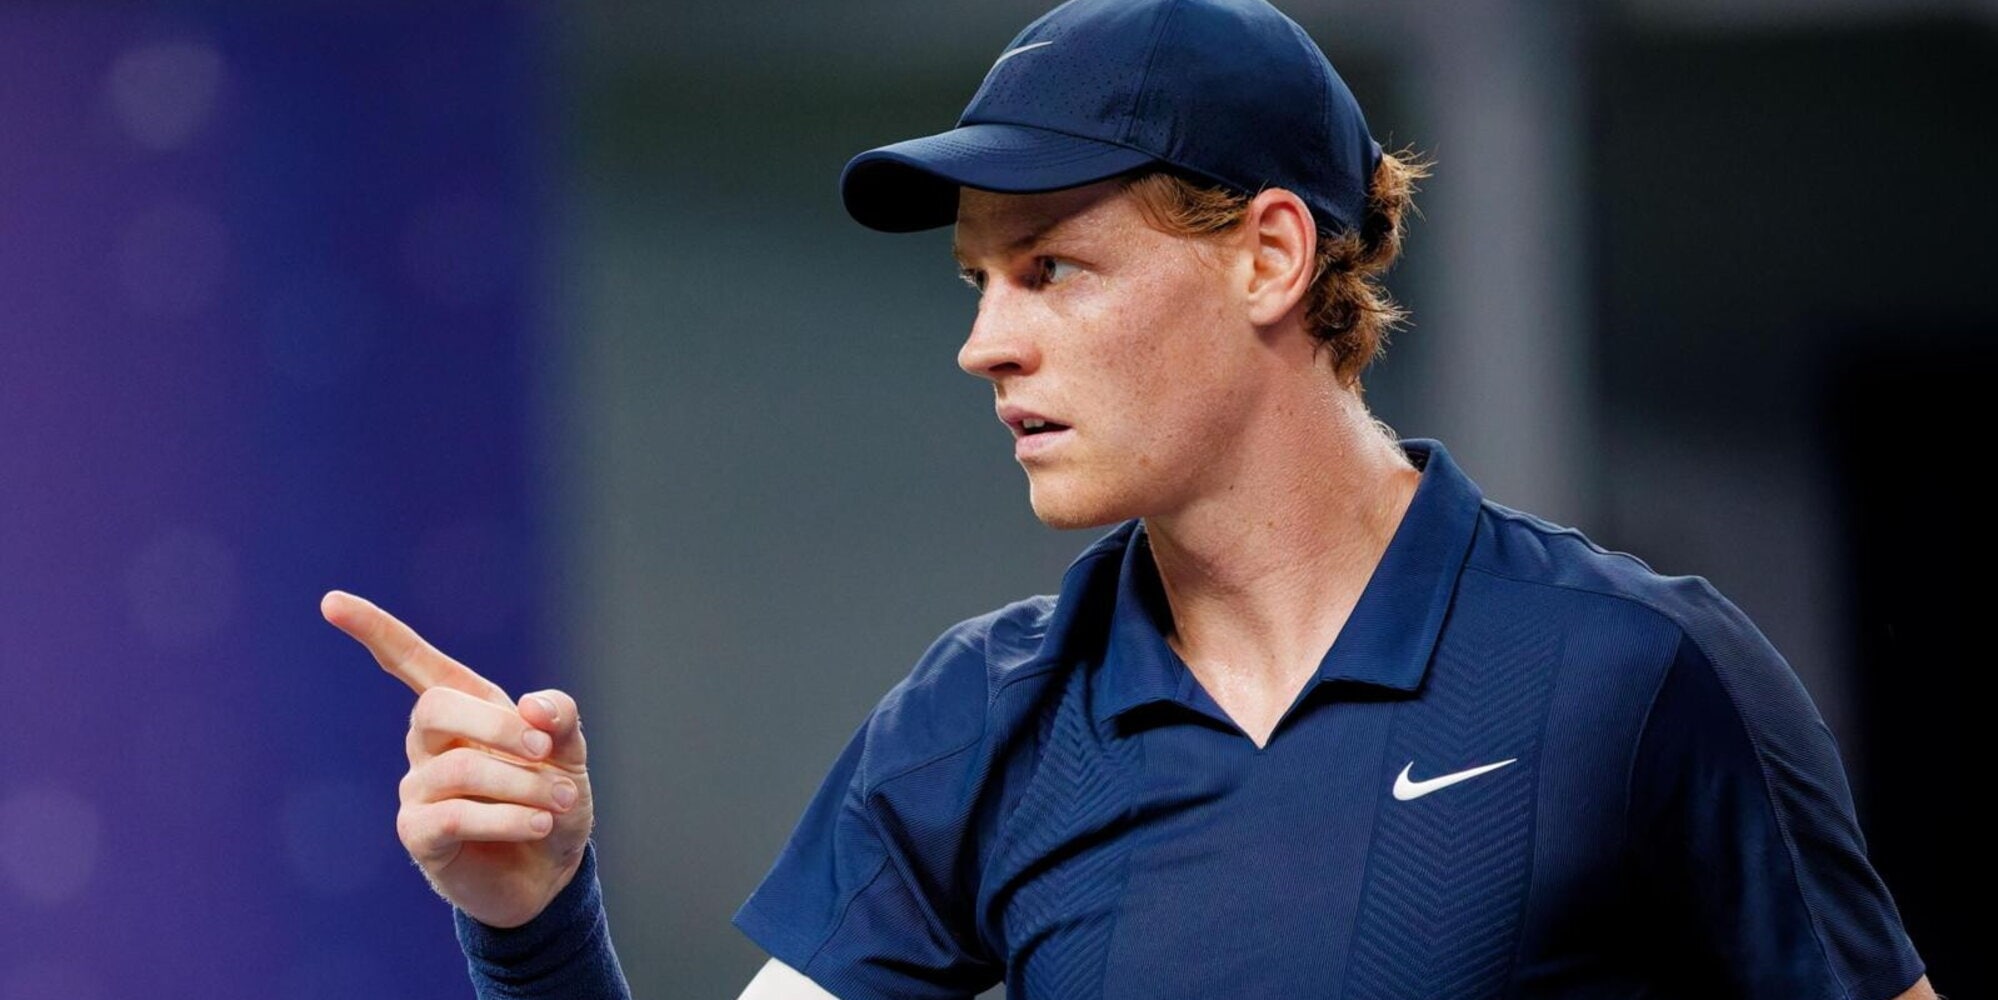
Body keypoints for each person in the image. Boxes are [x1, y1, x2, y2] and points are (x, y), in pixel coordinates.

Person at [322, 0, 1942, 996]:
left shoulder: (1637, 671)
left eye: (1050, 270)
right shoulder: (975, 721)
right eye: (976, 282)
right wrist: (533, 924)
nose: (984, 344)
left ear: (1269, 255)